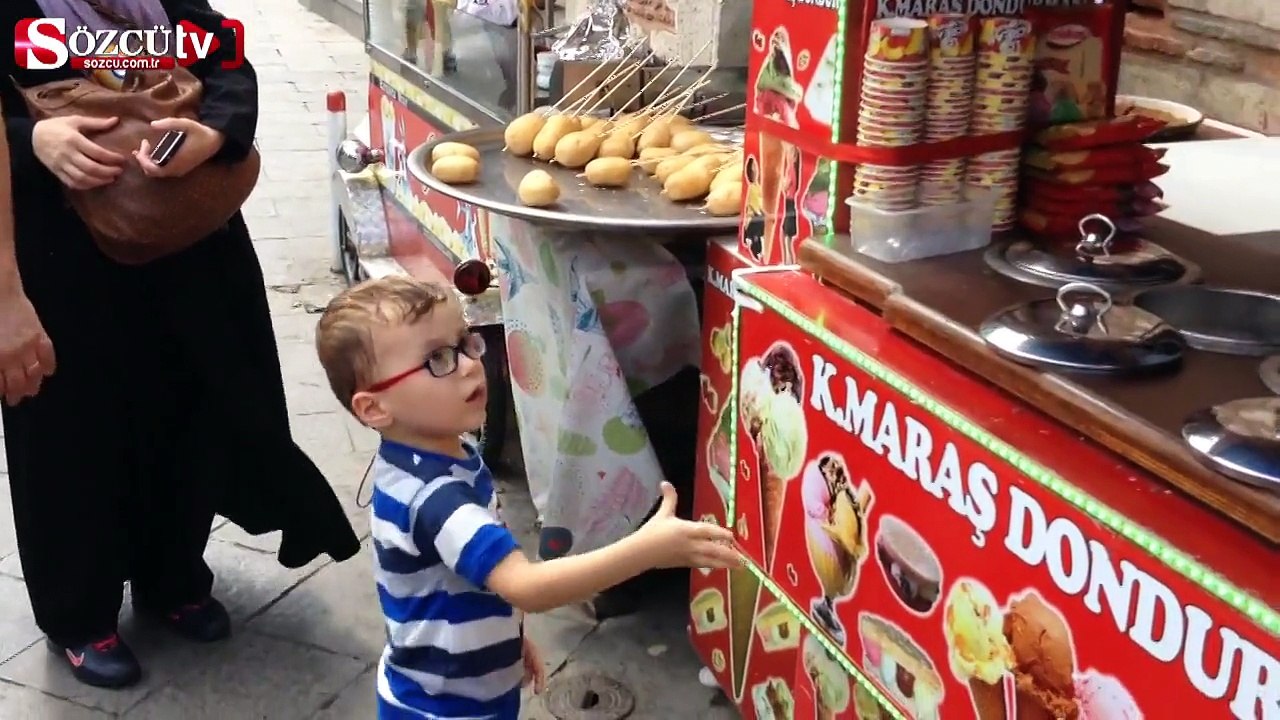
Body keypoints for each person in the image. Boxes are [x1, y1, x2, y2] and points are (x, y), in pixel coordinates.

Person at [0, 0, 360, 689]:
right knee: (72, 430)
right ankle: (79, 613)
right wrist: (32, 141)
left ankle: (173, 575)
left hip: (182, 231)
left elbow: (222, 54)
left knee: (191, 398)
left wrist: (213, 132)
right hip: (58, 250)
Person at [314, 277, 741, 719]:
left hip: (461, 684)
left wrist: (509, 640)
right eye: (437, 359)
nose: (467, 365)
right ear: (374, 409)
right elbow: (527, 587)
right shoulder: (437, 499)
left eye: (464, 342)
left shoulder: (437, 455)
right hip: (445, 709)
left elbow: (475, 583)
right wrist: (648, 549)